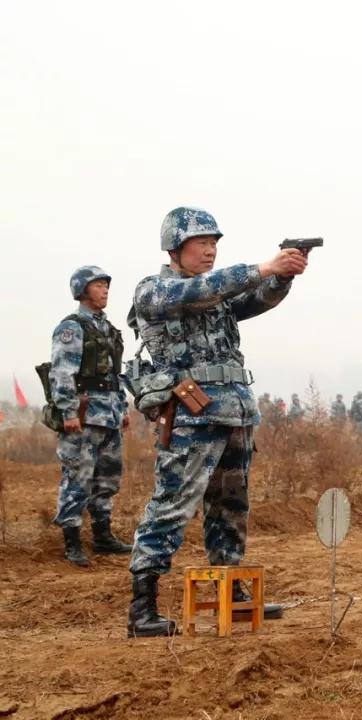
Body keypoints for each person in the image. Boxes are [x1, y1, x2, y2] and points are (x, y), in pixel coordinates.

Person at [125, 206, 308, 637]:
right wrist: (265, 265)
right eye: (201, 243)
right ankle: (142, 607)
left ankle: (233, 592)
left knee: (230, 508)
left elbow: (257, 299)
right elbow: (208, 290)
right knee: (172, 505)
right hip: (191, 418)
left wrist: (283, 275)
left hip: (234, 413)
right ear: (175, 247)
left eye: (214, 244)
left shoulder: (217, 291)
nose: (210, 251)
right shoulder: (155, 290)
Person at [49, 265, 132, 566]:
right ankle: (72, 542)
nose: (105, 290)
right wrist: (69, 410)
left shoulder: (107, 329)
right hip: (83, 414)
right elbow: (61, 371)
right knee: (77, 478)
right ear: (83, 291)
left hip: (108, 413)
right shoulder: (72, 328)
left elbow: (114, 374)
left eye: (106, 285)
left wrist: (121, 408)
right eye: (98, 285)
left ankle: (103, 537)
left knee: (107, 478)